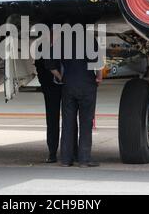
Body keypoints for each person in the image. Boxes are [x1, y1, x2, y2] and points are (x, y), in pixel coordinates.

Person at [51, 29, 103, 168]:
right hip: (87, 85)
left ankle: (66, 160)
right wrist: (99, 76)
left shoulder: (62, 41)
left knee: (68, 123)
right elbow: (97, 62)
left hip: (68, 86)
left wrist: (61, 77)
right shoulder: (90, 39)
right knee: (86, 123)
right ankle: (84, 160)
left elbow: (49, 63)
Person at [34, 33, 62, 163]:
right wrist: (45, 86)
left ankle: (72, 151)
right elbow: (39, 67)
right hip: (51, 88)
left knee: (70, 120)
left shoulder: (65, 45)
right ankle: (52, 152)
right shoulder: (41, 47)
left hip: (66, 87)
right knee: (52, 121)